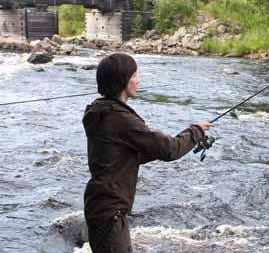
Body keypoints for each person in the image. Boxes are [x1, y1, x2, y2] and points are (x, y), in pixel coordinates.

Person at [82, 53, 212, 253]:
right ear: (123, 81)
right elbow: (170, 150)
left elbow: (124, 156)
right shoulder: (120, 118)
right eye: (135, 76)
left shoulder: (102, 112)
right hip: (110, 213)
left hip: (102, 207)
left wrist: (167, 143)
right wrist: (196, 131)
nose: (138, 81)